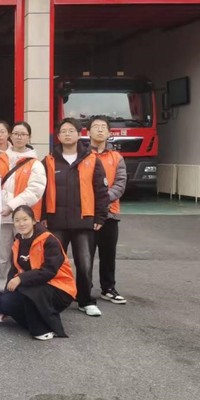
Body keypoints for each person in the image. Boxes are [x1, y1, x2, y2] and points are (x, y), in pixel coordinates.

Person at [42, 118, 109, 317]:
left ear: (79, 134)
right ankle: (55, 298)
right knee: (54, 262)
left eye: (71, 130)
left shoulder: (92, 159)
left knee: (85, 263)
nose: (67, 134)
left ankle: (85, 300)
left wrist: (100, 217)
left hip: (83, 221)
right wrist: (43, 216)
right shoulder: (49, 160)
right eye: (63, 131)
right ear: (58, 136)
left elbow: (101, 190)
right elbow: (42, 191)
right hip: (56, 221)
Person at [0, 206, 77, 340]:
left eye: (25, 219)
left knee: (29, 292)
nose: (21, 224)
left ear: (34, 220)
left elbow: (49, 271)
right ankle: (35, 321)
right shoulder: (17, 241)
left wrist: (21, 279)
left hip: (59, 288)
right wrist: (6, 297)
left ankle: (42, 329)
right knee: (5, 302)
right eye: (17, 220)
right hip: (33, 285)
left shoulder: (49, 240)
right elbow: (14, 270)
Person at [0, 121, 47, 284]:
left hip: (24, 219)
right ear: (10, 135)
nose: (19, 137)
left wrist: (11, 206)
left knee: (24, 255)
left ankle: (24, 286)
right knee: (1, 256)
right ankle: (1, 288)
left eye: (23, 134)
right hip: (1, 217)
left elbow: (35, 191)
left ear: (29, 137)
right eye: (16, 133)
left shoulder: (35, 164)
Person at [89, 115, 128, 305]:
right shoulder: (83, 155)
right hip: (87, 213)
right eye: (95, 126)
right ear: (88, 132)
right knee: (85, 253)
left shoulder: (116, 157)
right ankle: (84, 288)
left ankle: (108, 288)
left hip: (110, 213)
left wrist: (103, 200)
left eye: (103, 127)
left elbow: (120, 183)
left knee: (108, 253)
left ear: (109, 132)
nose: (99, 130)